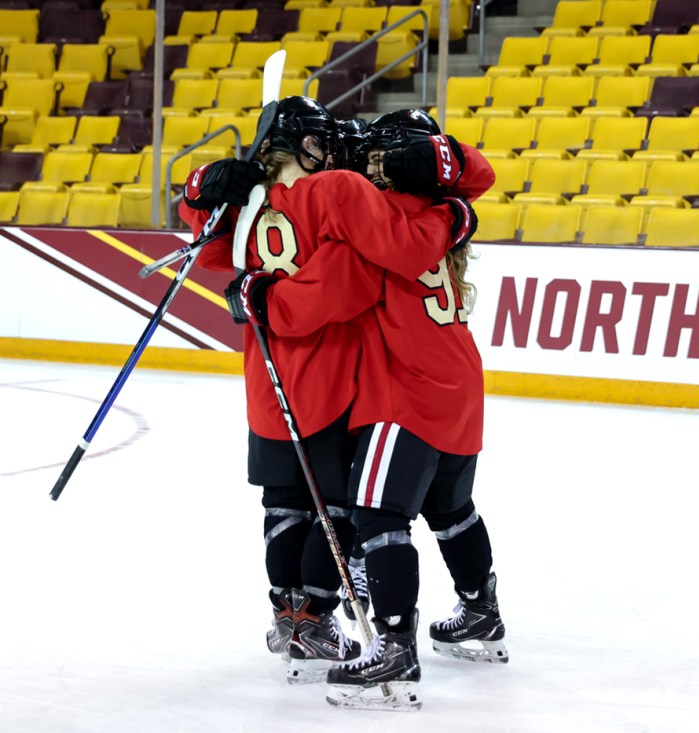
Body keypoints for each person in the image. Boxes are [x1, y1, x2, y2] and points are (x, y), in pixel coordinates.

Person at [178, 97, 476, 685]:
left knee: (282, 504)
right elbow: (356, 279)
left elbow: (207, 248)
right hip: (333, 375)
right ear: (301, 146)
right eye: (323, 143)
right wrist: (453, 216)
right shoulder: (335, 191)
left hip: (266, 377)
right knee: (337, 507)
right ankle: (314, 615)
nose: (336, 153)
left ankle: (288, 615)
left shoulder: (251, 206)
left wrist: (198, 192)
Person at [318, 110, 509, 711]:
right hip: (458, 380)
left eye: (376, 157)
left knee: (376, 514)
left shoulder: (388, 217)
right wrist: (457, 206)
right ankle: (481, 610)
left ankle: (395, 646)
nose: (365, 166)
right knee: (451, 509)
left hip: (407, 387)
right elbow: (473, 181)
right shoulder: (436, 209)